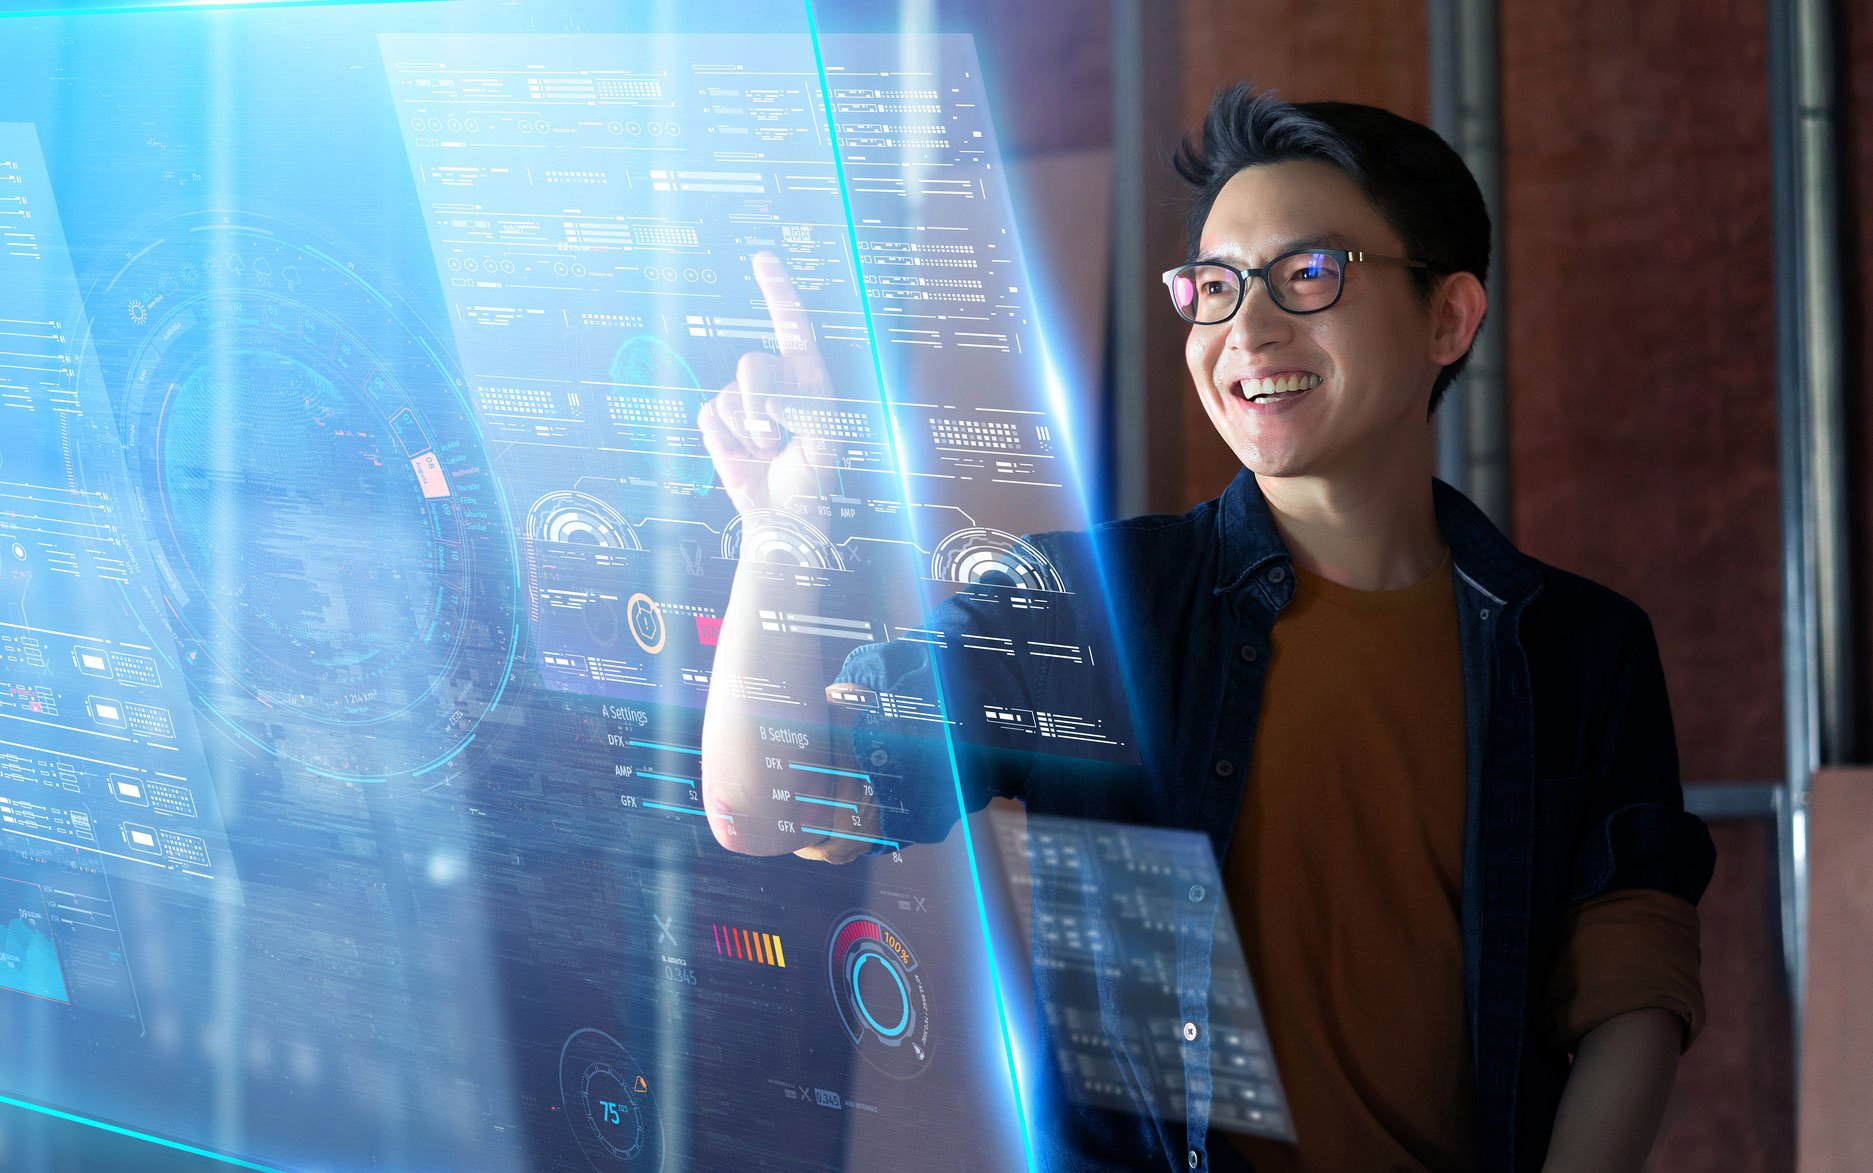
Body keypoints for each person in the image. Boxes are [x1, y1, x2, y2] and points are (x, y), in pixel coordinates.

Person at [698, 83, 1714, 1173]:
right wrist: (781, 528)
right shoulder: (1094, 604)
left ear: (1447, 316)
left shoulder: (1577, 650)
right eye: (1215, 287)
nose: (1248, 329)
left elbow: (1629, 991)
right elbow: (766, 802)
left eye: (1309, 275)